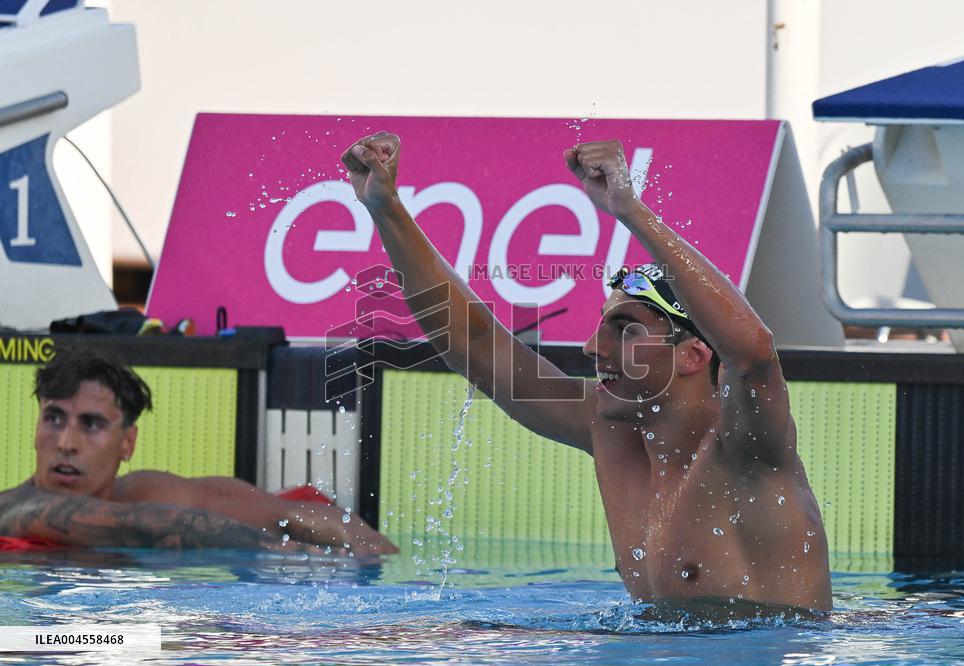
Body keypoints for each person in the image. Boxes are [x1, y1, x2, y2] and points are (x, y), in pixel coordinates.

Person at [340, 132, 831, 611]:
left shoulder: (745, 450)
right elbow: (476, 345)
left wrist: (630, 211)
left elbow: (754, 354)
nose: (592, 347)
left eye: (625, 329)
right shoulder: (612, 434)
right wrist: (386, 209)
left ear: (694, 355)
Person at [0, 348, 397, 556]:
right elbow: (145, 526)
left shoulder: (153, 493)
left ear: (128, 443)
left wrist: (375, 563)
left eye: (91, 424)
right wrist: (288, 554)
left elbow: (294, 514)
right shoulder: (21, 510)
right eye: (53, 418)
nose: (67, 442)